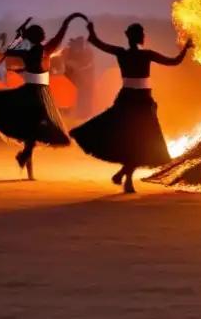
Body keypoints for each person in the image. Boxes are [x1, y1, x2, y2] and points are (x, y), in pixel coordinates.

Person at [71, 21, 191, 193]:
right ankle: (124, 176)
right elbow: (174, 62)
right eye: (142, 34)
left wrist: (92, 34)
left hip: (131, 99)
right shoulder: (145, 54)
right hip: (139, 101)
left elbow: (98, 43)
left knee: (135, 142)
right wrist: (186, 48)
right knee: (141, 143)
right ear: (141, 37)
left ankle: (124, 176)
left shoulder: (123, 53)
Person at [0, 14, 85, 179]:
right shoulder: (43, 49)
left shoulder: (31, 51)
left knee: (31, 131)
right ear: (39, 37)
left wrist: (19, 36)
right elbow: (59, 36)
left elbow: (8, 50)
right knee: (33, 130)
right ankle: (25, 159)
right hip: (35, 93)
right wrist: (66, 22)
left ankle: (26, 162)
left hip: (35, 92)